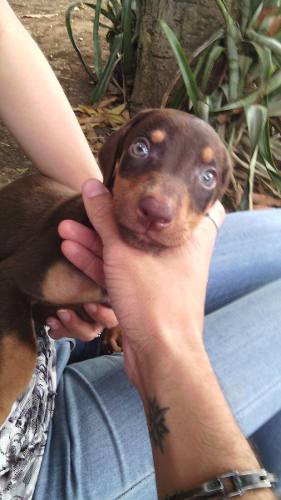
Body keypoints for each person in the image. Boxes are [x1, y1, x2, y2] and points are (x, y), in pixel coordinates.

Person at [1, 1, 281, 499]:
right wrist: (165, 342)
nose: (159, 200)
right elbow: (12, 285)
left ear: (214, 205)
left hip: (55, 348)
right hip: (31, 456)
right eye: (142, 150)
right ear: (117, 160)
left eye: (206, 178)